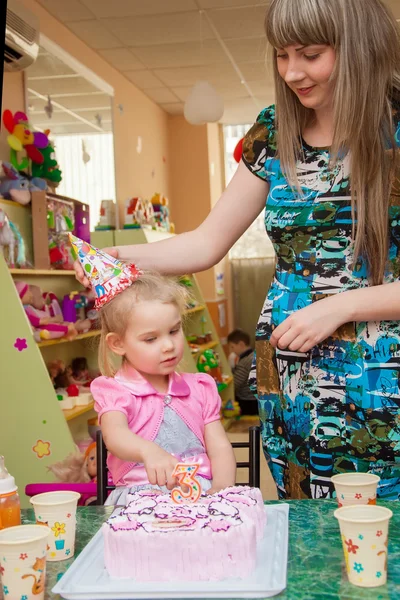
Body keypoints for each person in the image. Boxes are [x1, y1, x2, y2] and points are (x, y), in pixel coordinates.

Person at [76, 0, 400, 501]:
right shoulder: (273, 135)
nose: (292, 71)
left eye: (310, 54)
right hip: (291, 369)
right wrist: (116, 257)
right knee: (306, 521)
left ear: (359, 47)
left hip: (382, 375)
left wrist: (340, 306)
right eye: (282, 54)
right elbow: (207, 243)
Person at [90, 268, 236, 505]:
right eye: (151, 339)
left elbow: (219, 445)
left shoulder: (200, 388)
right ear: (117, 343)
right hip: (140, 498)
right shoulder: (115, 391)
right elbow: (115, 435)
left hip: (200, 494)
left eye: (174, 330)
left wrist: (222, 488)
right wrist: (148, 451)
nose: (168, 345)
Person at [227, 329, 258, 416]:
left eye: (232, 347)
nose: (232, 351)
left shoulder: (244, 362)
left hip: (247, 401)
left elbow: (235, 384)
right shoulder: (254, 354)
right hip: (255, 398)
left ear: (241, 344)